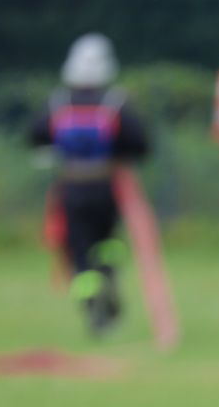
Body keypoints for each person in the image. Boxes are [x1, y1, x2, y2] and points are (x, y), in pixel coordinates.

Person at [30, 34, 153, 336]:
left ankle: (92, 308)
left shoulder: (58, 103)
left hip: (71, 187)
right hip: (107, 187)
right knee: (108, 242)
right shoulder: (116, 103)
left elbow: (35, 136)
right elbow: (141, 144)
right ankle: (107, 277)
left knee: (78, 248)